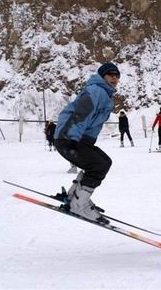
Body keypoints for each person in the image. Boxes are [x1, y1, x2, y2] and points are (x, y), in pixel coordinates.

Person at [54, 62, 120, 224]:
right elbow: (81, 114)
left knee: (104, 162)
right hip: (69, 137)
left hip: (79, 139)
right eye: (110, 75)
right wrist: (73, 138)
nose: (114, 78)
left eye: (117, 76)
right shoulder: (96, 91)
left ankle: (74, 196)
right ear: (102, 76)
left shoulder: (104, 94)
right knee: (98, 165)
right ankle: (79, 203)